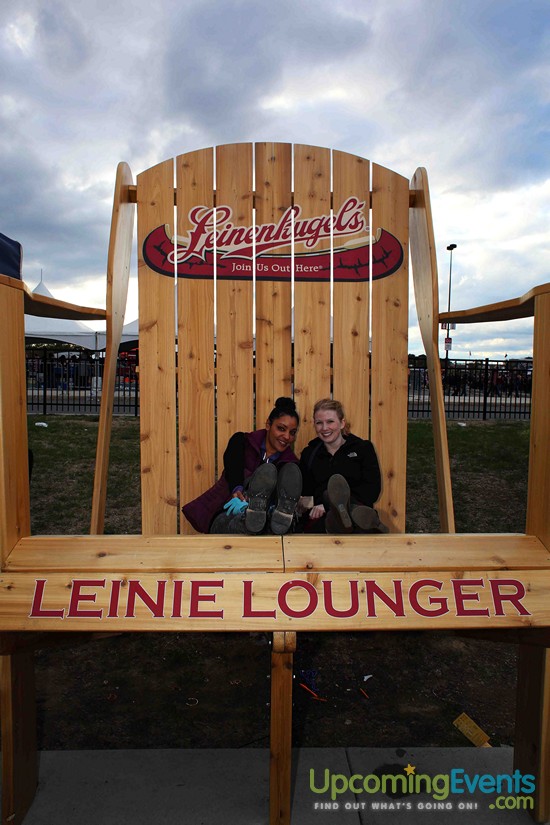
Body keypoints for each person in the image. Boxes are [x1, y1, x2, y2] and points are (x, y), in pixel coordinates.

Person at [182, 397, 302, 535]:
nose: (287, 437)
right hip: (227, 513)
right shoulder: (242, 442)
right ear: (268, 424)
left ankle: (266, 514)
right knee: (245, 521)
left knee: (268, 524)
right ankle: (252, 514)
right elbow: (233, 467)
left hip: (267, 524)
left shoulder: (290, 466)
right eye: (281, 428)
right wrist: (237, 489)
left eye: (292, 433)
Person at [298, 398, 388, 534]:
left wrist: (331, 505)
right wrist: (314, 505)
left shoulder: (363, 449)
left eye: (330, 421)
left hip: (358, 511)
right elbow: (306, 493)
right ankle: (340, 517)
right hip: (321, 519)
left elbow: (372, 490)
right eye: (319, 423)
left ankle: (342, 512)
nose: (324, 428)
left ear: (342, 423)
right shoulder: (309, 454)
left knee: (354, 516)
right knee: (330, 518)